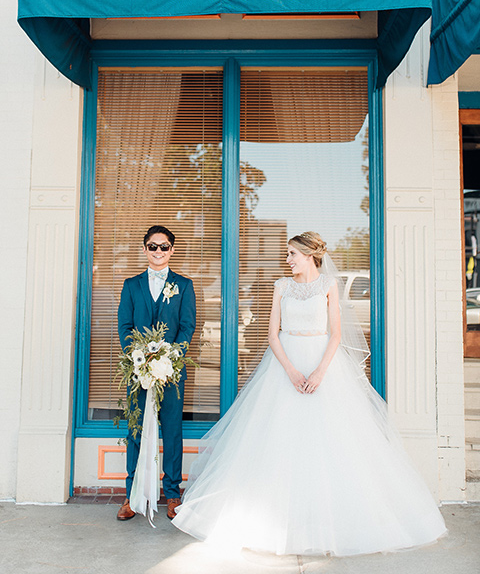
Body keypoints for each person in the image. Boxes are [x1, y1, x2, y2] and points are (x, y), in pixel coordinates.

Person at [173, 231, 447, 556]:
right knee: (276, 440)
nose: (287, 260)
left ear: (308, 254)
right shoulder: (281, 287)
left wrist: (319, 372)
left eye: (292, 254)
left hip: (323, 366)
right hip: (285, 366)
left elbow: (335, 335)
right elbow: (273, 335)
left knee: (333, 442)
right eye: (288, 254)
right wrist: (290, 370)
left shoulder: (329, 285)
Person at [116, 225, 196, 522]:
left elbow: (187, 327)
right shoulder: (131, 285)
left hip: (172, 372)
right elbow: (125, 328)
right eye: (153, 246)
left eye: (164, 247)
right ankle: (131, 495)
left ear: (172, 250)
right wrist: (139, 358)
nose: (159, 252)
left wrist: (171, 357)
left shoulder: (184, 285)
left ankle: (173, 494)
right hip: (137, 372)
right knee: (136, 431)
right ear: (145, 249)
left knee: (172, 432)